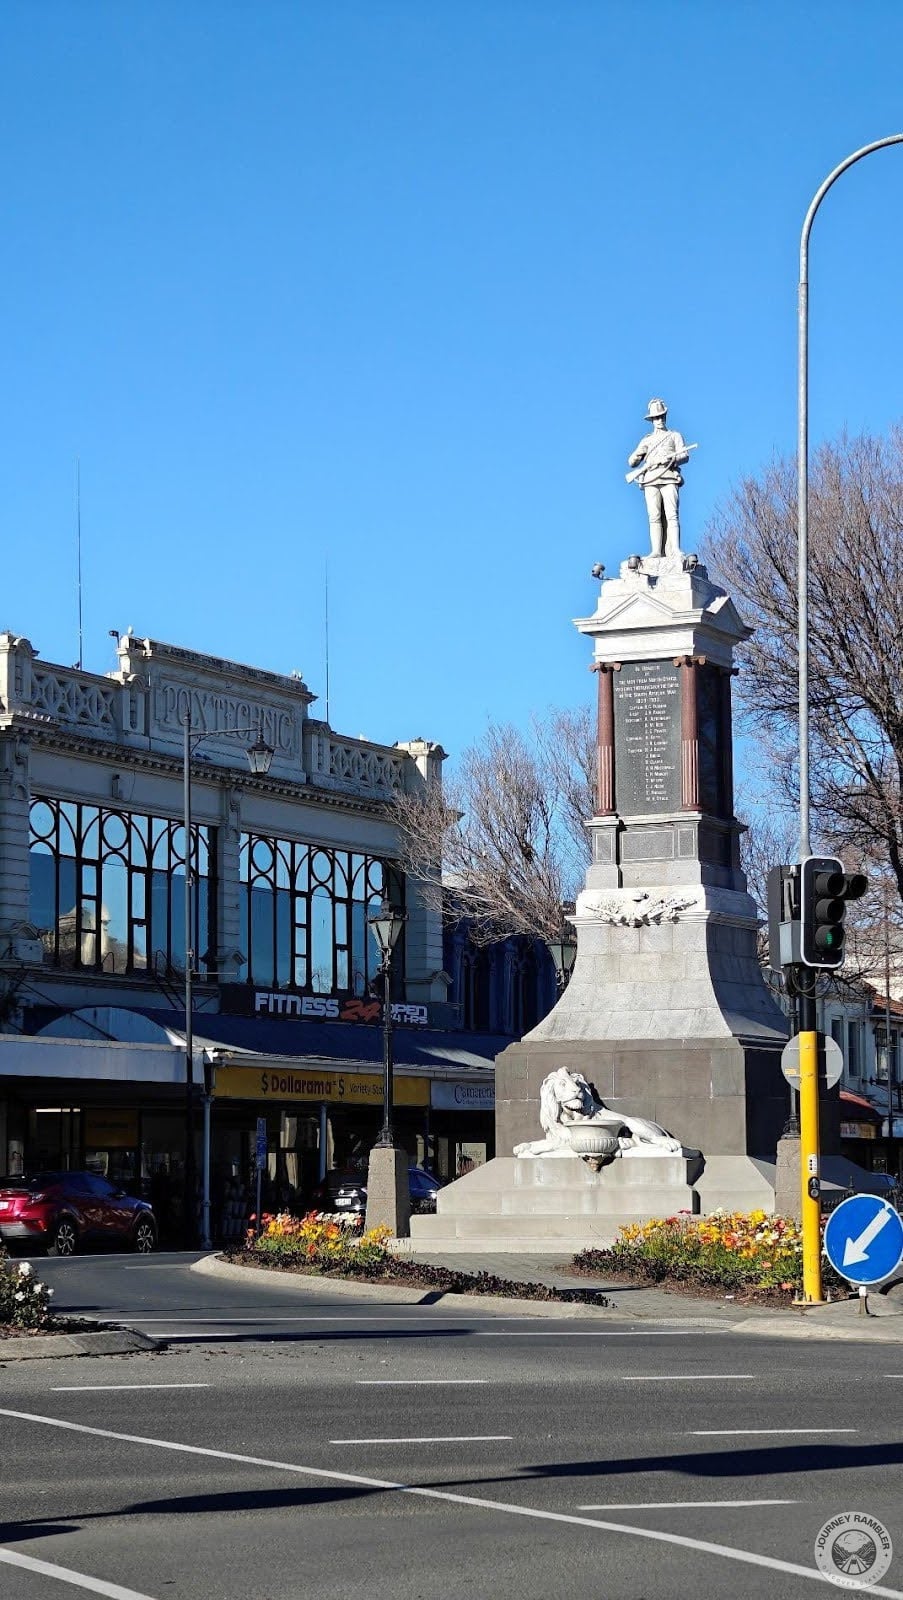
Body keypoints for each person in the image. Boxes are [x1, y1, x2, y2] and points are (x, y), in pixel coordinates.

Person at [627, 398, 690, 557]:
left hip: (669, 476)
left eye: (661, 416)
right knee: (654, 516)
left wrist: (671, 459)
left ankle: (675, 549)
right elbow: (632, 462)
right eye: (656, 418)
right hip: (651, 479)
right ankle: (656, 551)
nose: (659, 420)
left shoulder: (674, 435)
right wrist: (641, 456)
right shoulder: (647, 440)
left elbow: (684, 455)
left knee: (672, 515)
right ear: (652, 420)